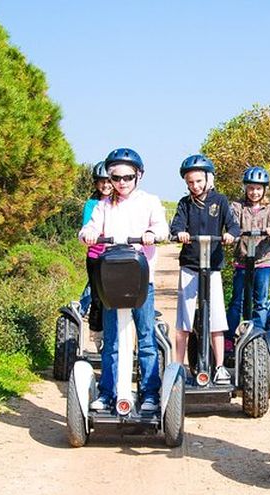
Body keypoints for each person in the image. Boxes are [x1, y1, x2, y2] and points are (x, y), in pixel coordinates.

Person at [79, 148, 169, 412]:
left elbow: (162, 227)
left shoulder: (149, 201)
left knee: (146, 338)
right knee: (113, 340)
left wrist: (152, 233)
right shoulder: (104, 206)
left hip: (142, 281)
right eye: (116, 177)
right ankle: (108, 392)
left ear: (138, 176)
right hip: (112, 282)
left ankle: (150, 393)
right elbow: (90, 227)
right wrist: (90, 234)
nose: (121, 183)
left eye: (127, 177)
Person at [170, 154, 239, 384]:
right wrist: (180, 233)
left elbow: (233, 225)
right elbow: (176, 225)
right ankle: (178, 368)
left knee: (217, 319)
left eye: (198, 181)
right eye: (190, 182)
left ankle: (219, 366)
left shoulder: (220, 201)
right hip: (190, 265)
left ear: (208, 179)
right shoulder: (185, 204)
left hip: (213, 267)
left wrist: (230, 234)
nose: (195, 186)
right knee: (184, 321)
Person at [226, 167, 270, 347]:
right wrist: (232, 233)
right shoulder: (238, 207)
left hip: (263, 261)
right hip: (242, 261)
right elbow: (231, 224)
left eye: (258, 188)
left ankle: (257, 337)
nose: (254, 192)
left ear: (264, 189)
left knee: (261, 301)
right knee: (237, 301)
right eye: (251, 188)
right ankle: (229, 339)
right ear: (245, 189)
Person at [78, 161, 112, 350]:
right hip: (96, 256)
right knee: (97, 298)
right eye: (101, 182)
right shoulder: (92, 204)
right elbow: (87, 227)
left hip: (117, 256)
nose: (105, 185)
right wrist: (92, 235)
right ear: (96, 184)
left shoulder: (119, 202)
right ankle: (97, 334)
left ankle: (116, 335)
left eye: (108, 181)